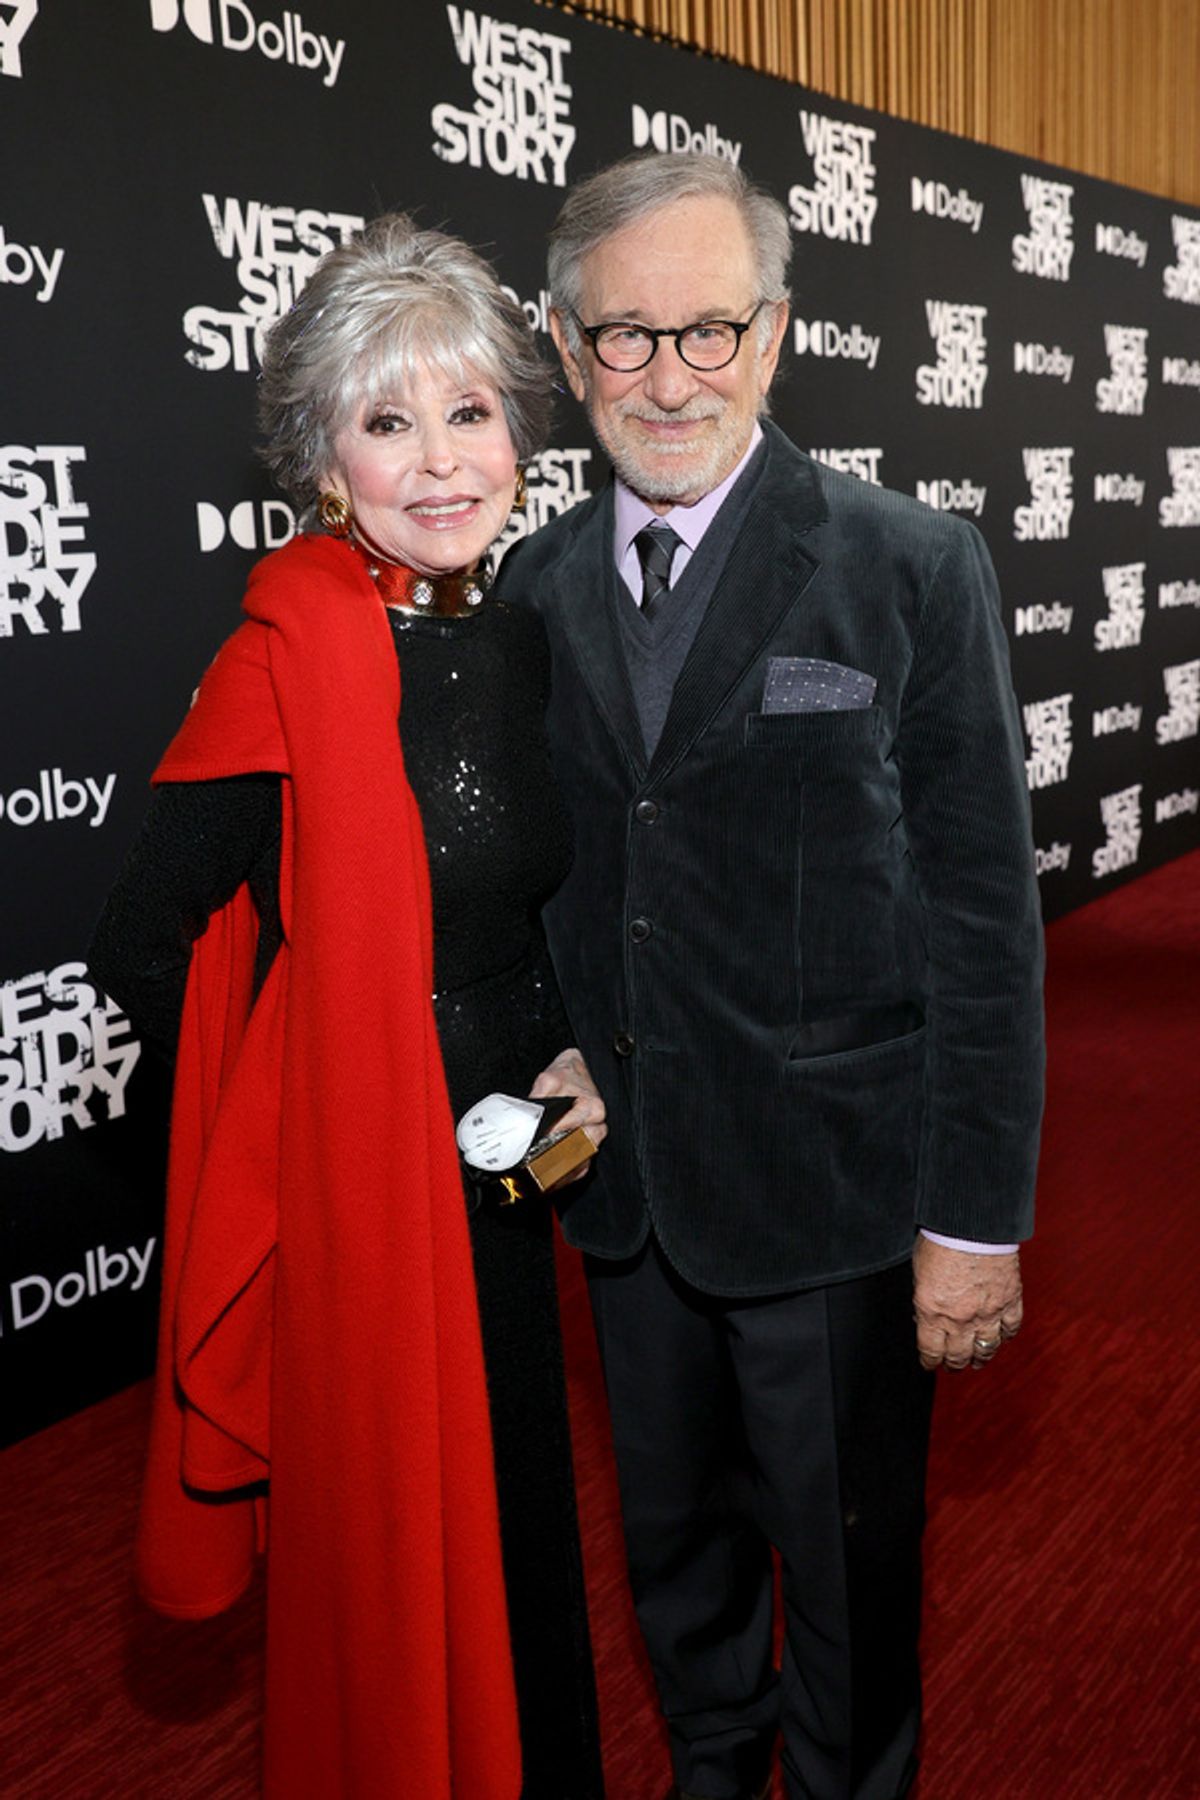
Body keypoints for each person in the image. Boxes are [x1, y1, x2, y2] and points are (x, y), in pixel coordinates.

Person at [496, 152, 1045, 1800]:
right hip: (632, 1192)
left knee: (853, 1578)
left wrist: (973, 1224)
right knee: (675, 1558)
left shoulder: (908, 565)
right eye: (624, 337)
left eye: (711, 331)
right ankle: (714, 1775)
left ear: (780, 335)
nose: (670, 379)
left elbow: (979, 920)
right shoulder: (529, 586)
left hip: (840, 1198)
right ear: (563, 342)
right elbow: (547, 886)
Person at [88, 213, 606, 1800]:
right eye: (390, 422)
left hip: (515, 1171)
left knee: (520, 1537)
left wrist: (567, 1064)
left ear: (519, 430)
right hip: (367, 1209)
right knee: (392, 1577)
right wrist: (307, 1121)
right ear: (328, 459)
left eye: (469, 413)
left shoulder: (521, 640)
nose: (441, 463)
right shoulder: (285, 659)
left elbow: (527, 902)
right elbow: (142, 941)